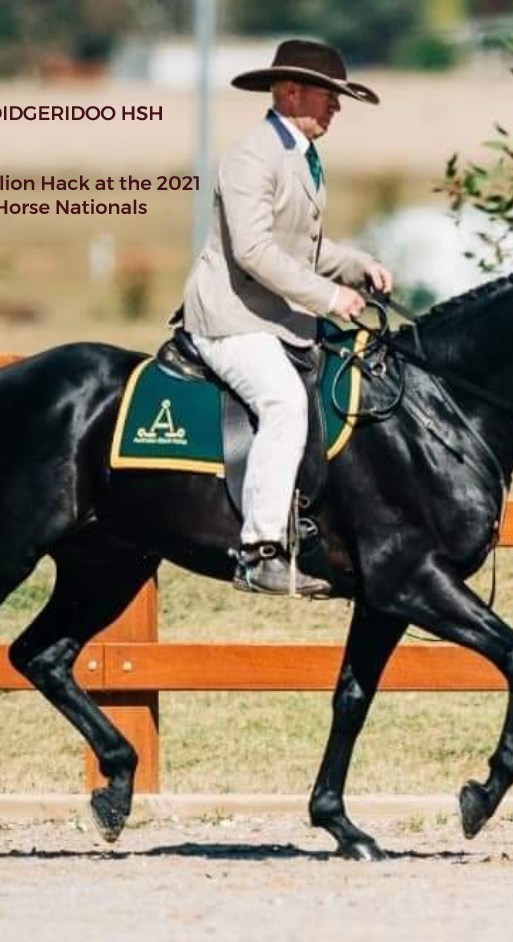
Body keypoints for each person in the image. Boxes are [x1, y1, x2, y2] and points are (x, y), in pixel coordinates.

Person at [182, 39, 394, 596]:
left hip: (276, 316)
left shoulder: (301, 156)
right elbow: (254, 251)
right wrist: (328, 297)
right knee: (284, 401)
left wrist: (358, 266)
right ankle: (261, 552)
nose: (337, 106)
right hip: (230, 318)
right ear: (291, 91)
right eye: (329, 95)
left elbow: (303, 248)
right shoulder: (253, 156)